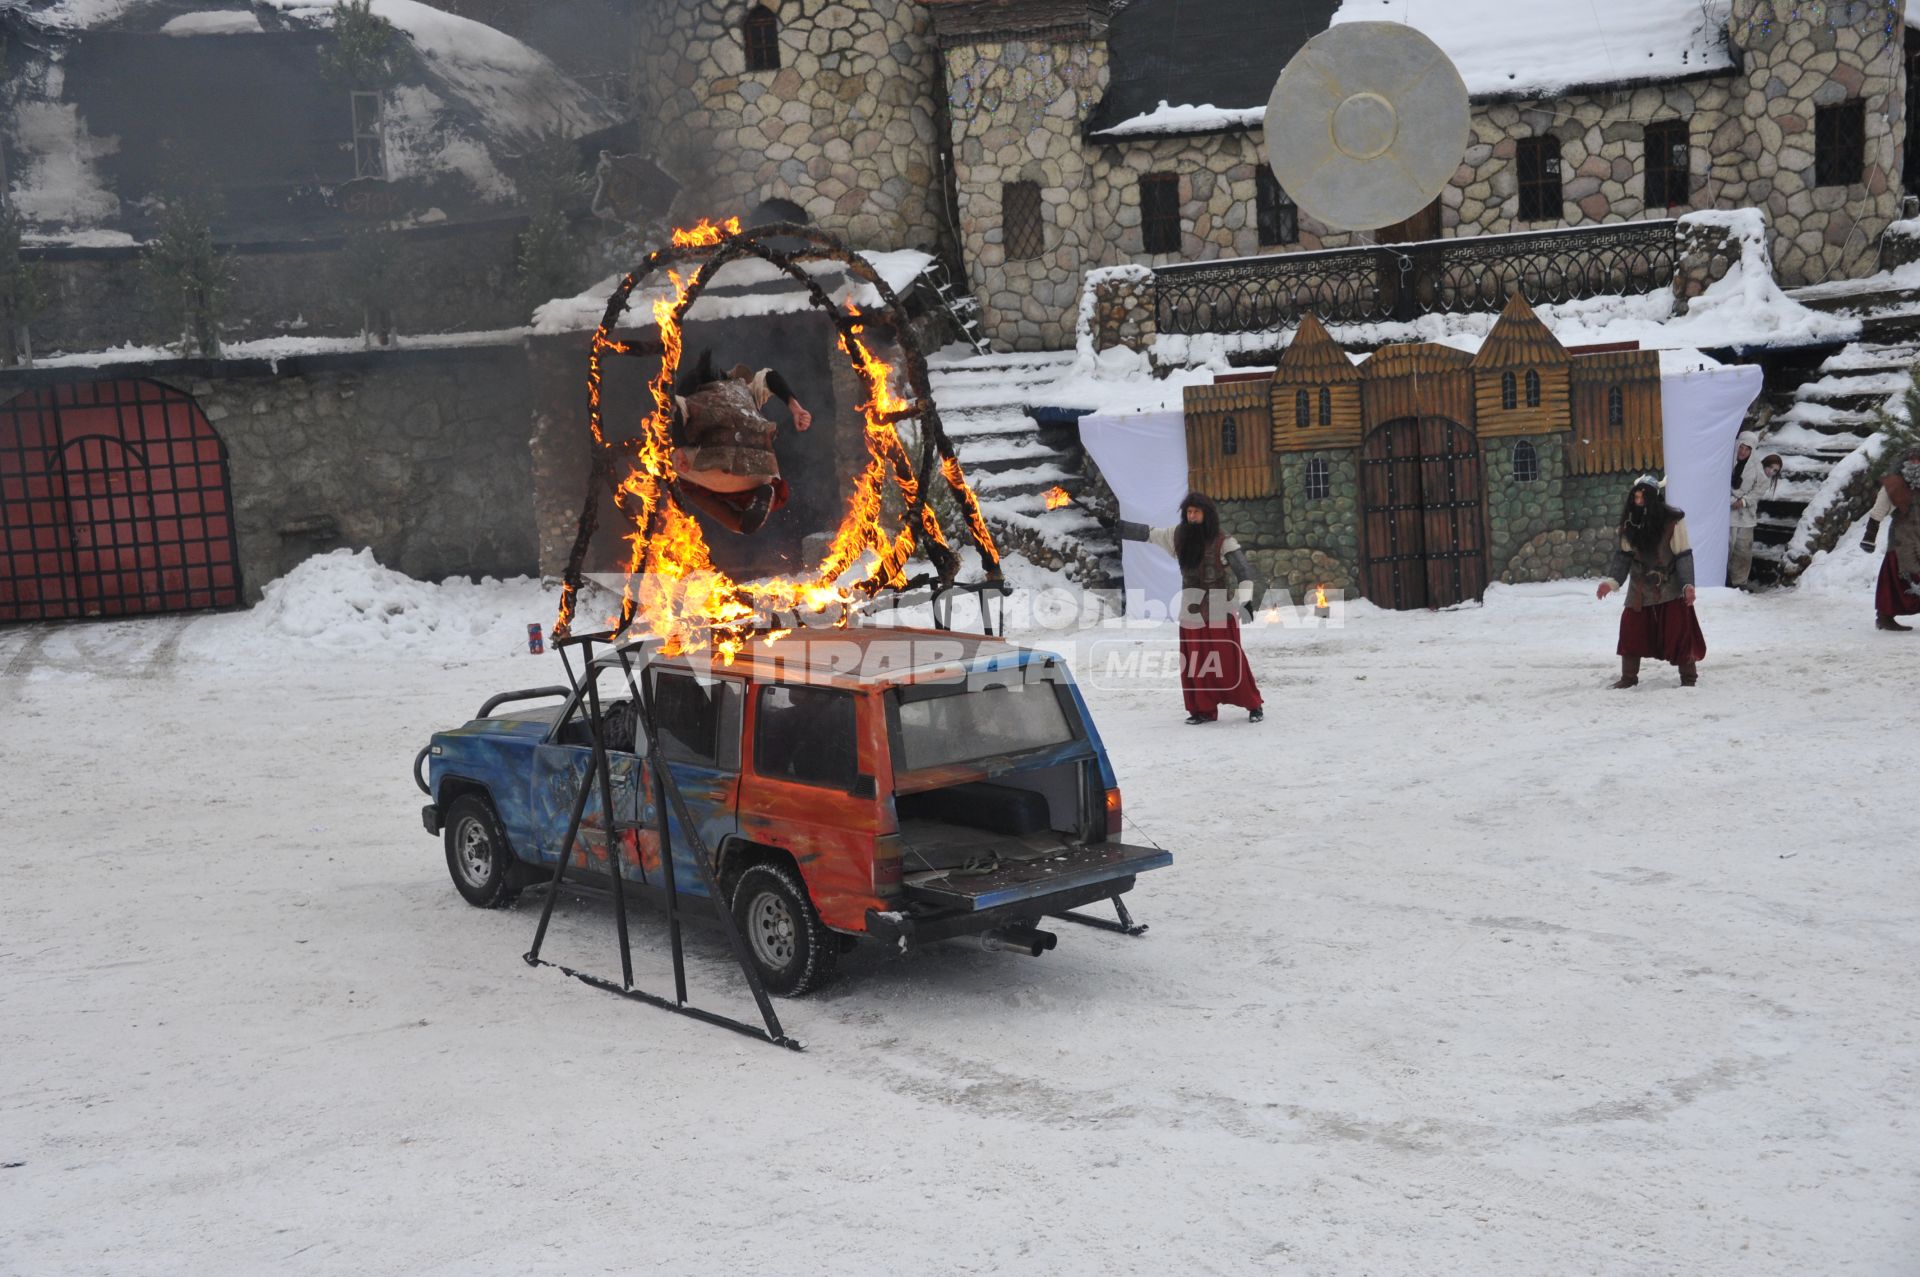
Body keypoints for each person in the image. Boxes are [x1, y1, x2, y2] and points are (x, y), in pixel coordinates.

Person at [1105, 492, 1265, 724]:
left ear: (1206, 514)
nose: (1191, 516)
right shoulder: (1177, 535)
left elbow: (1244, 572)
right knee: (1196, 662)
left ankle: (1253, 704)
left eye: (1196, 512)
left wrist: (1245, 602)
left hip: (1219, 604)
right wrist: (1118, 526)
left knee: (1229, 659)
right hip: (1191, 605)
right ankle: (1203, 709)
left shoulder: (1223, 540)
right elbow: (1149, 534)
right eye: (1188, 512)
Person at [668, 350, 813, 534]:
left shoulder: (690, 398)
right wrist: (796, 408)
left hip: (717, 469)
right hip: (762, 474)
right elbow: (769, 375)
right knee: (758, 481)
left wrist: (679, 449)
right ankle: (756, 501)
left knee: (667, 466)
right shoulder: (744, 390)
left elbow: (674, 407)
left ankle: (739, 523)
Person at [1596, 475, 1706, 688]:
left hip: (1670, 586)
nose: (1638, 502)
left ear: (1653, 499)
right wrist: (1611, 582)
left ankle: (1688, 679)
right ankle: (1628, 678)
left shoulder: (1673, 521)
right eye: (1635, 497)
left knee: (1679, 632)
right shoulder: (1630, 522)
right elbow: (1624, 556)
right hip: (1639, 588)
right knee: (1631, 631)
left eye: (1642, 498)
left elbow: (1683, 553)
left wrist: (1687, 585)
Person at [1860, 447, 1920, 632]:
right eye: (1913, 460)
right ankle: (1885, 617)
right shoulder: (1895, 484)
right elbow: (1879, 509)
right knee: (1895, 579)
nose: (1916, 464)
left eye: (1919, 460)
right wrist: (1870, 536)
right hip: (1901, 539)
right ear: (1905, 462)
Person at [1728, 430, 1767, 588]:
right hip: (1727, 514)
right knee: (1726, 548)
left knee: (1742, 550)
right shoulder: (1727, 461)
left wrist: (1744, 501)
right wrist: (1731, 500)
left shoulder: (1756, 466)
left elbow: (1761, 486)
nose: (1743, 452)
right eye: (1742, 447)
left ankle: (1739, 583)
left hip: (1745, 516)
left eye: (1747, 449)